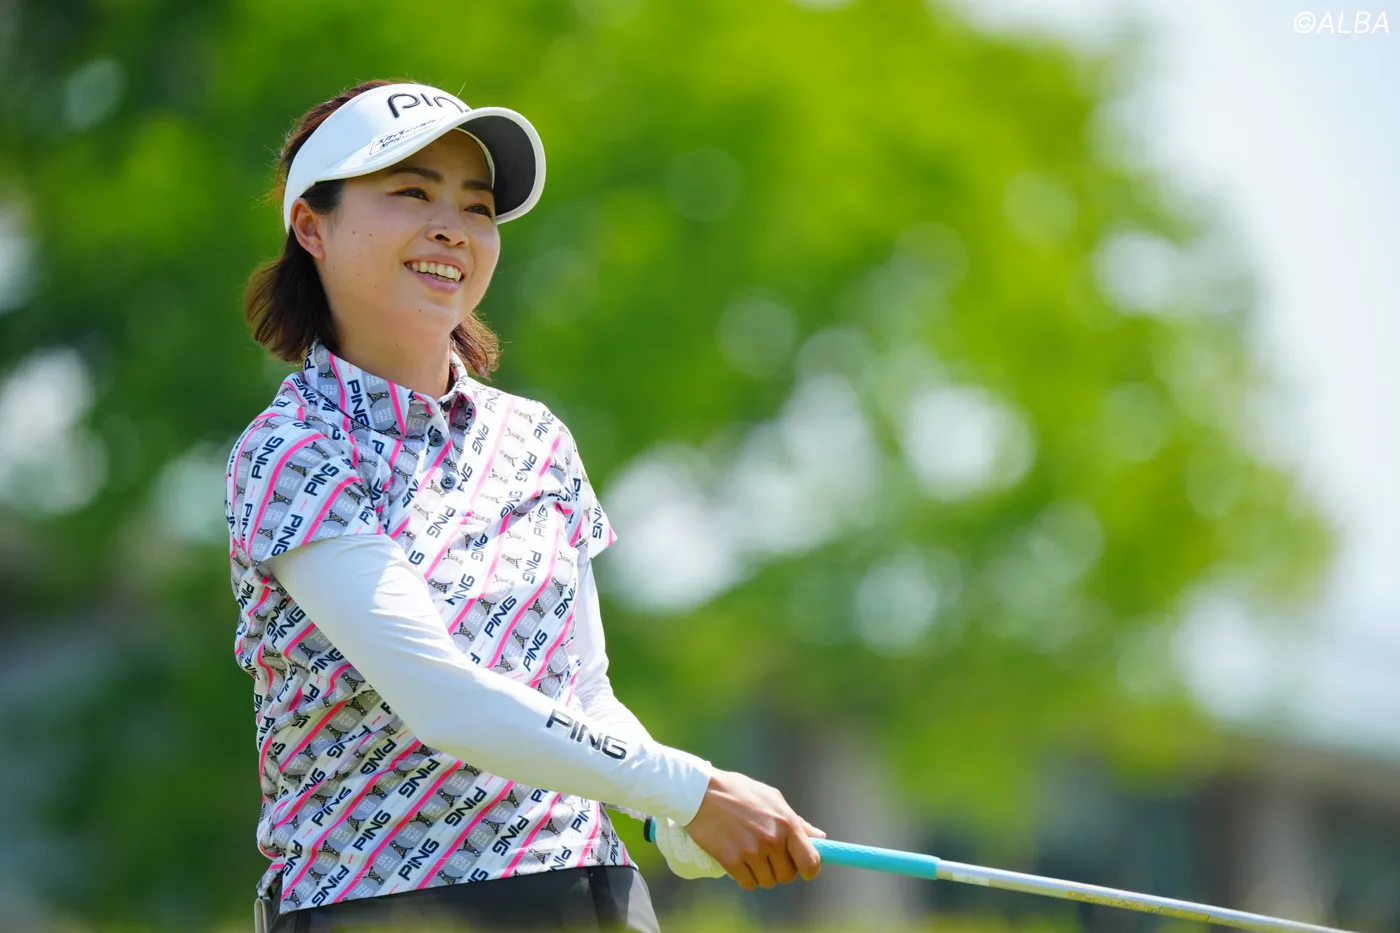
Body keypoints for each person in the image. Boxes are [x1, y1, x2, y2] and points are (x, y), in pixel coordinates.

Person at [225, 79, 824, 933]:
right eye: (411, 193)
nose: (452, 228)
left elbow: (584, 693)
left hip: (589, 892)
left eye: (477, 207)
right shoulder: (292, 451)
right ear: (311, 227)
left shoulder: (534, 437)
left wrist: (667, 812)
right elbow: (443, 699)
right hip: (384, 909)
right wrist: (692, 788)